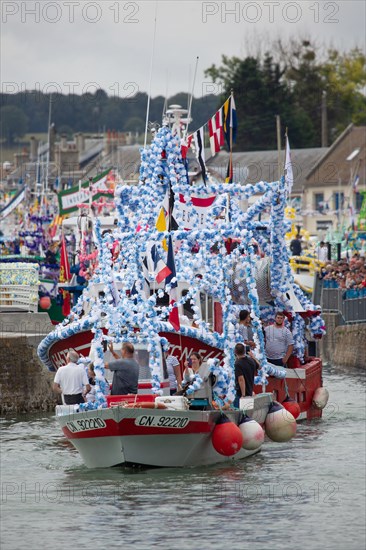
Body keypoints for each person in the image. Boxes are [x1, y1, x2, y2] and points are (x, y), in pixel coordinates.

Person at [233, 343, 257, 408]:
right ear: (244, 351)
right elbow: (259, 366)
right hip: (250, 391)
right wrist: (253, 357)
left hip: (241, 394)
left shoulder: (237, 364)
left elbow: (241, 379)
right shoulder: (251, 361)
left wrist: (243, 395)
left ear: (235, 351)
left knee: (238, 413)